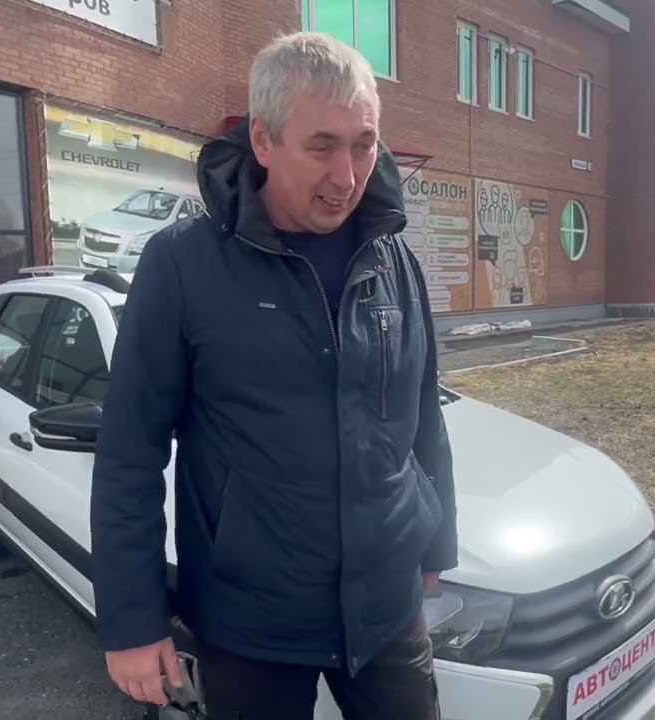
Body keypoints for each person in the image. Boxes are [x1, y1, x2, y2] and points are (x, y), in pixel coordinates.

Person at [91, 32, 456, 720]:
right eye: (322, 147)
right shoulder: (184, 264)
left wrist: (435, 541)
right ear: (262, 140)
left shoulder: (393, 259)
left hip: (385, 610)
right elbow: (130, 451)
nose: (347, 176)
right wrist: (133, 620)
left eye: (365, 145)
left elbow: (421, 413)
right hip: (250, 625)